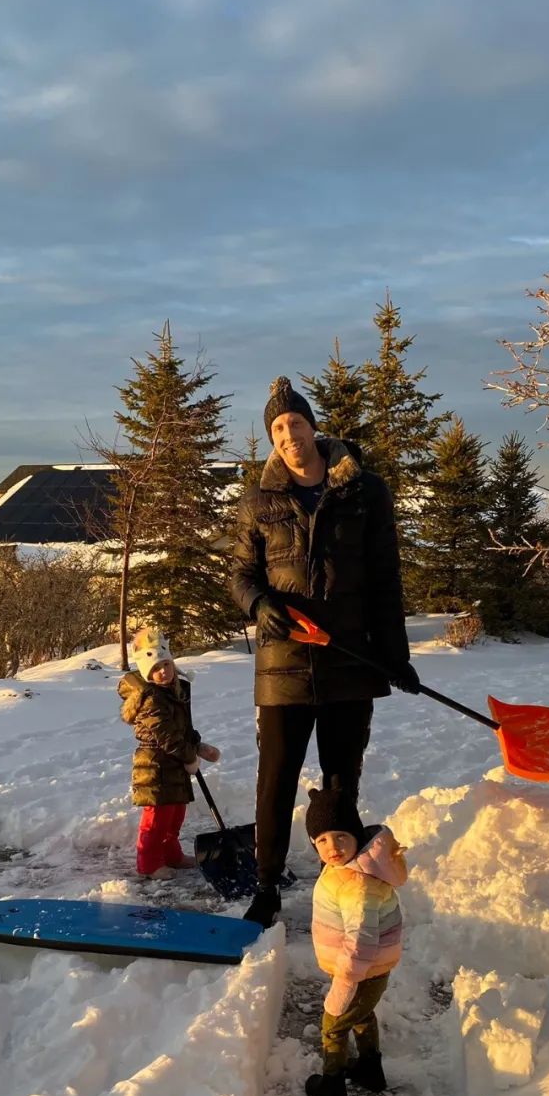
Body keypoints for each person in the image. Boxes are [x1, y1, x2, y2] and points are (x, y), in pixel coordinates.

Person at [230, 374, 419, 927]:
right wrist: (257, 602)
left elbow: (386, 580)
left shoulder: (364, 491)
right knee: (277, 775)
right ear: (272, 439)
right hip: (283, 659)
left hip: (349, 657)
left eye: (295, 422)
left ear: (313, 426)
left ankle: (344, 879)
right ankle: (267, 886)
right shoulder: (258, 500)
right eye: (278, 428)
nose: (289, 434)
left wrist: (395, 655)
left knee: (341, 781)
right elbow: (240, 573)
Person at [303, 786, 407, 1096]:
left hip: (359, 969)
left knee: (333, 1024)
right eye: (321, 840)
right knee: (362, 1016)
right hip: (369, 968)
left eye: (340, 837)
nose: (332, 847)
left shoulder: (357, 883)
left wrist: (346, 979)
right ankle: (370, 1071)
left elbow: (361, 937)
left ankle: (332, 1087)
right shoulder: (348, 869)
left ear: (355, 836)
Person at [118, 627, 220, 878]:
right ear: (147, 672)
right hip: (155, 763)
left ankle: (171, 855)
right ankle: (149, 863)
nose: (163, 671)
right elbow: (166, 737)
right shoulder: (151, 699)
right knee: (157, 818)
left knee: (175, 815)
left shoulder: (175, 691)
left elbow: (183, 727)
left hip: (173, 761)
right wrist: (188, 757)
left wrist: (196, 745)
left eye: (166, 665)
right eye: (156, 669)